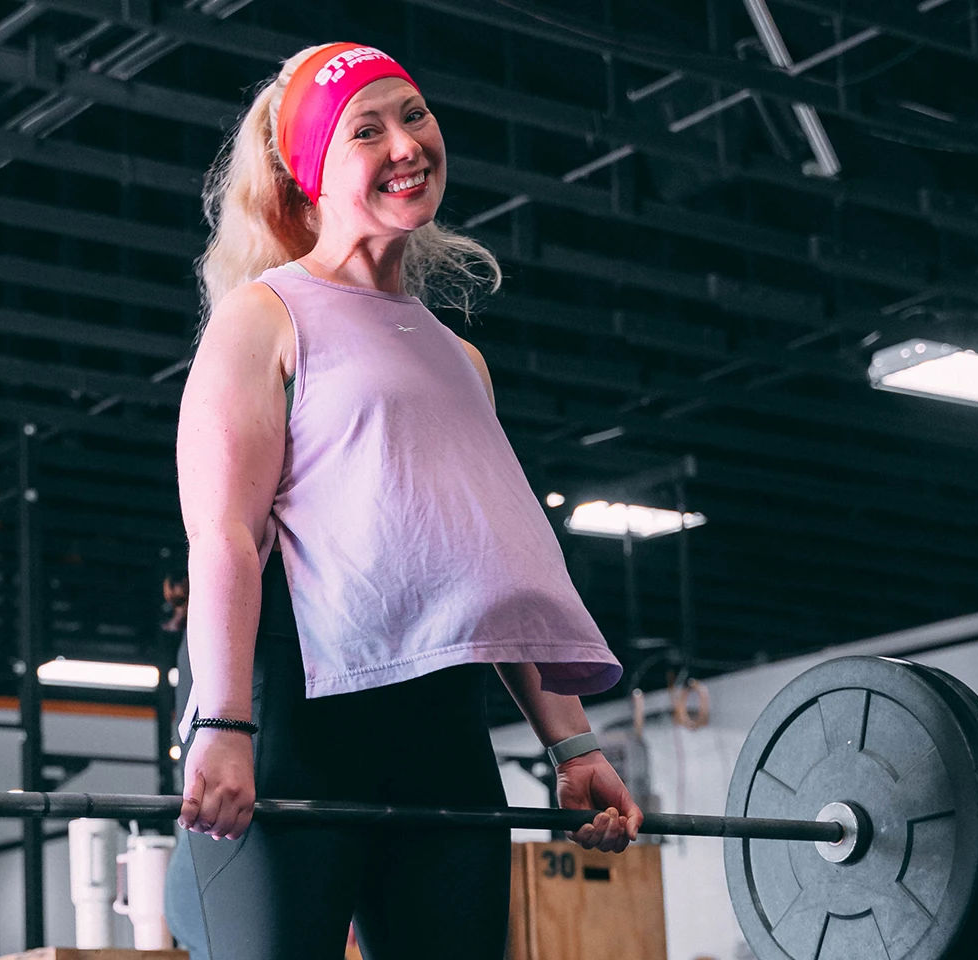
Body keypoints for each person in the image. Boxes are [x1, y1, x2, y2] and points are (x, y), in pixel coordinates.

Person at [169, 41, 645, 960]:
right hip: (297, 720)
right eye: (367, 129)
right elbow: (225, 535)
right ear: (310, 170)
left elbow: (497, 574)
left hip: (440, 729)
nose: (406, 145)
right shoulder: (265, 316)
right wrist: (225, 726)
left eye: (414, 115)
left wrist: (573, 750)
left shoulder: (461, 360)